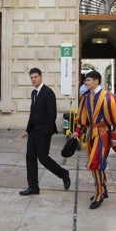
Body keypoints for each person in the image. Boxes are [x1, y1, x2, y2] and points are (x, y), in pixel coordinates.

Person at [73, 71, 116, 209]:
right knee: (96, 163)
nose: (86, 82)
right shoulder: (86, 98)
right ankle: (103, 188)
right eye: (86, 80)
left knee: (95, 163)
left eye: (88, 80)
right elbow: (82, 117)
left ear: (96, 81)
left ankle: (99, 193)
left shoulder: (108, 97)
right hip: (91, 133)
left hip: (103, 134)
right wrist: (77, 132)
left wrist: (115, 137)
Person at [20, 68, 71, 196]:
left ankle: (63, 173)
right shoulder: (33, 93)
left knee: (43, 158)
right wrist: (27, 130)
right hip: (33, 132)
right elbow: (32, 113)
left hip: (43, 132)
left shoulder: (48, 93)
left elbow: (52, 114)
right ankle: (33, 188)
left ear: (41, 77)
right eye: (31, 77)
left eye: (35, 77)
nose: (33, 79)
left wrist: (45, 132)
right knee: (30, 158)